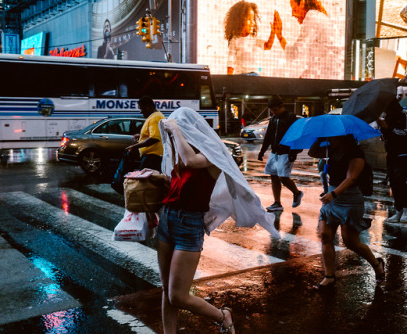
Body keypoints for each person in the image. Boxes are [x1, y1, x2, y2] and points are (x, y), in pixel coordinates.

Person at [154, 107, 279, 333]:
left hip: (188, 226)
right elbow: (180, 182)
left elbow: (191, 162)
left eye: (179, 130)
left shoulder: (211, 154)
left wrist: (174, 129)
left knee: (178, 295)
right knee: (167, 290)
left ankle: (222, 316)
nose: (173, 135)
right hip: (167, 220)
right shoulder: (182, 151)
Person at [313, 135, 385, 289]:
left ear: (343, 137)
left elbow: (351, 178)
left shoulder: (356, 153)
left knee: (350, 241)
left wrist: (333, 194)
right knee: (325, 235)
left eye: (333, 135)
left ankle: (377, 264)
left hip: (349, 198)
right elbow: (313, 152)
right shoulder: (331, 149)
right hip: (332, 197)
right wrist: (319, 139)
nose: (330, 137)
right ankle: (329, 276)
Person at [273, 0, 340, 79]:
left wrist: (280, 36)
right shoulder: (319, 16)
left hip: (326, 78)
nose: (292, 14)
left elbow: (295, 53)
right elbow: (316, 65)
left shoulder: (312, 18)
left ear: (302, 3)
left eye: (294, 9)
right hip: (329, 76)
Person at [258, 96, 303, 211]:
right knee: (273, 175)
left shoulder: (291, 118)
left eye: (275, 110)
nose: (274, 112)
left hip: (286, 152)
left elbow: (297, 137)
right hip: (275, 152)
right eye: (272, 110)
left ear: (281, 107)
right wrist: (262, 151)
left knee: (283, 177)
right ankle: (277, 203)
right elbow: (268, 136)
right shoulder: (273, 119)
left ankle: (297, 193)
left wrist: (294, 151)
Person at [224, 1, 277, 75]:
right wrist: (229, 80)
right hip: (240, 76)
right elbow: (230, 61)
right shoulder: (235, 40)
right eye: (249, 19)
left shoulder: (254, 39)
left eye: (253, 19)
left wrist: (273, 33)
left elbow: (267, 46)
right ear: (240, 21)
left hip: (254, 76)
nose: (253, 23)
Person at [377, 100, 407, 223]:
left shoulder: (404, 115)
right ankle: (398, 210)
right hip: (391, 154)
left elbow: (404, 132)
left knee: (402, 182)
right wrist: (382, 127)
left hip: (404, 153)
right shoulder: (386, 117)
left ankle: (405, 210)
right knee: (394, 183)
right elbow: (384, 137)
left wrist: (388, 127)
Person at [126, 96, 165, 172]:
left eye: (141, 108)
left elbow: (155, 138)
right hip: (151, 157)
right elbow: (155, 134)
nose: (140, 111)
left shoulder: (155, 118)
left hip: (152, 158)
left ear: (148, 106)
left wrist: (134, 146)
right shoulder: (154, 116)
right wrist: (141, 136)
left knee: (146, 183)